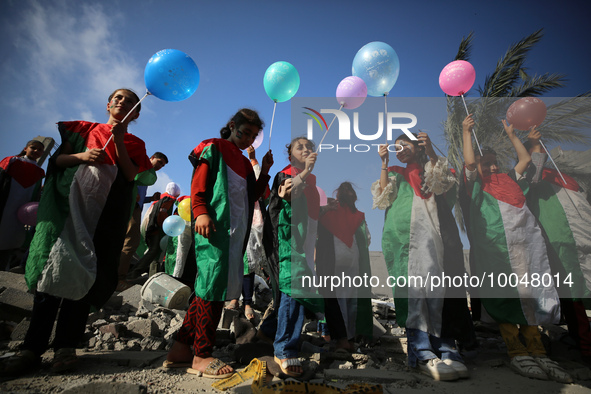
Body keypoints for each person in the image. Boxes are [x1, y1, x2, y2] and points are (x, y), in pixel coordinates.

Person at [0, 88, 152, 376]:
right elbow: (56, 162)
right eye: (118, 97)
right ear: (108, 104)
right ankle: (31, 348)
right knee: (51, 274)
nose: (123, 102)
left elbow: (131, 175)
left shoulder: (135, 142)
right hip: (68, 212)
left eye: (130, 100)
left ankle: (65, 346)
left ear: (137, 112)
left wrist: (118, 141)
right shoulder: (82, 131)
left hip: (101, 218)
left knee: (83, 276)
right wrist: (81, 157)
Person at [460, 115, 571, 383]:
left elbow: (525, 161)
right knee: (506, 295)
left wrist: (513, 137)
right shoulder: (476, 184)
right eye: (488, 163)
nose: (493, 166)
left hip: (528, 248)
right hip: (496, 250)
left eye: (495, 161)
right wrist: (466, 132)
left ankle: (538, 351)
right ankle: (516, 349)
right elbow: (470, 162)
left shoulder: (512, 179)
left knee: (531, 294)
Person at [164, 108, 273, 378]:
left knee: (209, 288)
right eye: (244, 132)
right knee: (211, 288)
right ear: (232, 125)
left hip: (234, 234)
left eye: (252, 135)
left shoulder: (246, 164)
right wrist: (200, 210)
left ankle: (179, 350)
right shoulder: (214, 147)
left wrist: (266, 170)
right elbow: (199, 182)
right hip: (213, 226)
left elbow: (253, 195)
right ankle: (201, 355)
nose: (248, 138)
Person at [372, 132, 473, 381]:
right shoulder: (395, 171)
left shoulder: (432, 166)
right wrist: (384, 163)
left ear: (418, 145)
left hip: (434, 237)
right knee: (413, 293)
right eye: (397, 147)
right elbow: (383, 198)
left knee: (438, 292)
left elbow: (443, 184)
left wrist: (430, 152)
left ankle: (446, 348)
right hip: (403, 239)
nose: (400, 149)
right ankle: (421, 351)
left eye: (405, 144)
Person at [525, 128, 591, 362]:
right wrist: (533, 145)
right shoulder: (533, 179)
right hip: (559, 240)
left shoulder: (569, 179)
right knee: (572, 293)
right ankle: (584, 344)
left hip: (584, 236)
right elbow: (534, 168)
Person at [259, 136, 323, 378]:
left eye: (310, 147)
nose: (306, 150)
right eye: (300, 147)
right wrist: (306, 171)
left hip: (301, 240)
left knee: (291, 286)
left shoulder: (311, 180)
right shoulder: (286, 173)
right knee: (293, 284)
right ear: (290, 155)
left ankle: (267, 331)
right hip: (283, 237)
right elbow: (286, 194)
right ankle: (285, 349)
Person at [316, 181, 373, 353]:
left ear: (337, 194)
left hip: (334, 258)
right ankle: (349, 337)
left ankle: (339, 338)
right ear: (354, 197)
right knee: (351, 299)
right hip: (353, 258)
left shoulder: (330, 209)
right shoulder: (359, 215)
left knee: (337, 299)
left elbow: (316, 230)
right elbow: (367, 239)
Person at [226, 145, 269, 320]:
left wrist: (253, 159)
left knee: (249, 261)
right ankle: (234, 298)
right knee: (236, 257)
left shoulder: (251, 169)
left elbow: (260, 183)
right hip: (236, 216)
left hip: (253, 219)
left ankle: (248, 302)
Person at [116, 152, 168, 291]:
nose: (160, 166)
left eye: (162, 165)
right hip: (131, 206)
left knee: (128, 241)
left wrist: (150, 198)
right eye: (159, 162)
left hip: (135, 206)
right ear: (151, 158)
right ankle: (119, 279)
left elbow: (140, 197)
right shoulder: (140, 168)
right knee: (131, 241)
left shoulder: (146, 175)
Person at [0, 139, 45, 270]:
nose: (36, 151)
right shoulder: (11, 161)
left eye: (40, 149)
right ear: (25, 148)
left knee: (10, 240)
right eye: (33, 148)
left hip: (20, 213)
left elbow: (36, 194)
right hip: (5, 205)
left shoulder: (39, 172)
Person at [128, 181, 180, 281]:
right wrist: (167, 227)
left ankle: (147, 276)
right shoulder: (168, 200)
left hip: (150, 227)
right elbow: (162, 215)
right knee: (154, 251)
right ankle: (133, 273)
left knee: (154, 253)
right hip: (156, 229)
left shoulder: (160, 199)